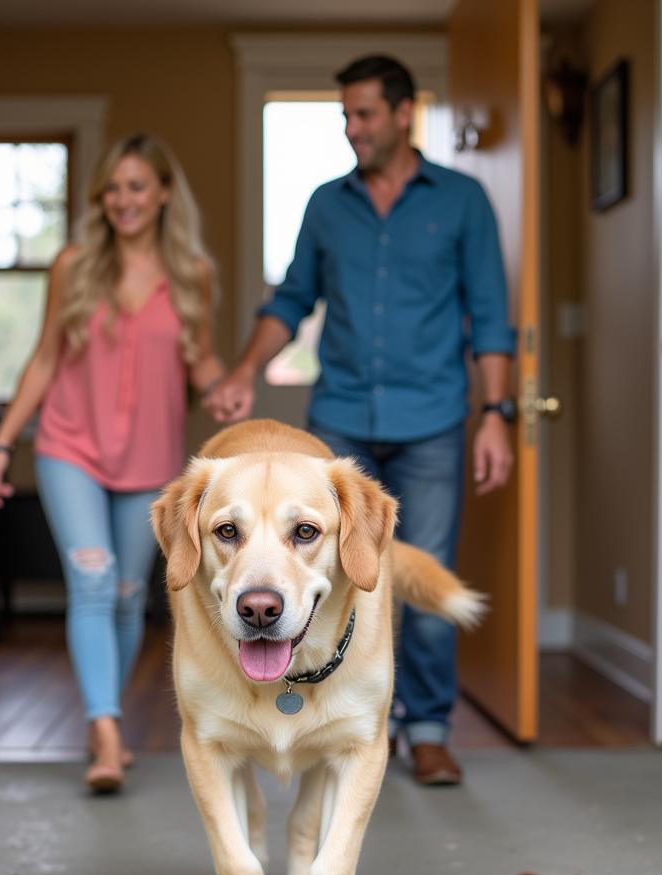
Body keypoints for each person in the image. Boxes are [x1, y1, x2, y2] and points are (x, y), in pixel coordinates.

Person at [205, 55, 515, 786]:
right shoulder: (325, 203)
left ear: (405, 114)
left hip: (433, 417)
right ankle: (329, 722)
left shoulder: (463, 201)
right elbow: (289, 301)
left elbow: (493, 317)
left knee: (419, 572)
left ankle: (428, 728)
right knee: (334, 572)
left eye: (365, 114)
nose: (353, 129)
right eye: (345, 116)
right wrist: (245, 369)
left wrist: (497, 414)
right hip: (338, 424)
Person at [0, 134, 224, 795]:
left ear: (164, 193)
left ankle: (101, 717)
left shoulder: (191, 273)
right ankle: (108, 730)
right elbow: (46, 358)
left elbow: (200, 360)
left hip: (150, 460)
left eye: (137, 186)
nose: (123, 200)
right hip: (70, 448)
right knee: (92, 581)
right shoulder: (75, 264)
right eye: (113, 188)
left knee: (125, 596)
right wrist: (3, 443)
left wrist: (227, 385)